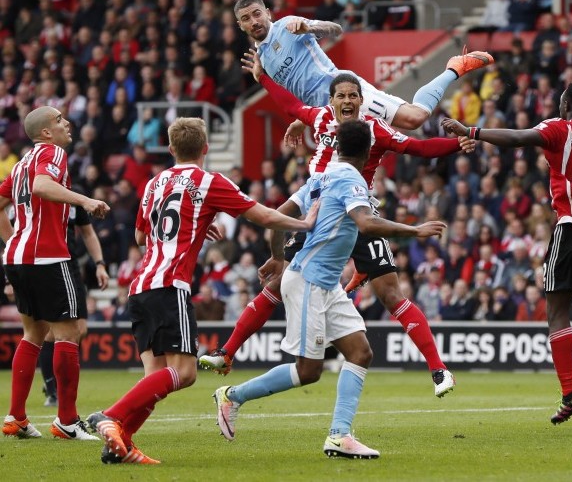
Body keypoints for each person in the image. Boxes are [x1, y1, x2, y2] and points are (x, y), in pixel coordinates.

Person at [201, 58, 468, 397]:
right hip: (322, 214)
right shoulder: (321, 118)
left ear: (361, 99)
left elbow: (419, 148)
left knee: (391, 293)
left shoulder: (375, 128)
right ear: (332, 101)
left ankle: (438, 370)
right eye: (341, 95)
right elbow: (290, 105)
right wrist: (263, 77)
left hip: (359, 211)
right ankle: (227, 352)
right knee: (280, 282)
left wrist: (460, 142)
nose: (347, 101)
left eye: (353, 95)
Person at [84, 118, 320, 465]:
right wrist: (304, 223)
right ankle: (109, 416)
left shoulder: (153, 183)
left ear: (170, 149)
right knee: (186, 372)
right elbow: (265, 217)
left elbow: (140, 237)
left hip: (140, 287)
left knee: (156, 378)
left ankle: (122, 443)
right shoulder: (208, 182)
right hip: (170, 285)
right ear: (206, 149)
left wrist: (195, 225)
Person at [213, 120, 445, 459]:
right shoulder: (352, 178)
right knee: (308, 371)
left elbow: (278, 216)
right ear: (368, 153)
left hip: (323, 282)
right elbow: (366, 222)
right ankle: (233, 396)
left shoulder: (321, 176)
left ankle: (340, 435)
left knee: (360, 352)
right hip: (309, 282)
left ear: (336, 147)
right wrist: (416, 231)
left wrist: (279, 257)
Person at [442, 82, 572, 425]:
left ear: (566, 103)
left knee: (557, 312)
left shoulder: (558, 129)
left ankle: (570, 393)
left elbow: (518, 137)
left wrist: (472, 131)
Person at [0, 106, 109, 440]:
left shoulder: (20, 164)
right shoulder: (53, 153)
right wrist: (85, 201)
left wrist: (12, 241)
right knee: (69, 333)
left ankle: (16, 416)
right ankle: (67, 421)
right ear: (46, 132)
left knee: (33, 335)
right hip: (48, 256)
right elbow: (43, 187)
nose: (67, 123)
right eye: (60, 120)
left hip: (18, 258)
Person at [233, 0, 493, 131]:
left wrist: (308, 28)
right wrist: (301, 121)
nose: (254, 21)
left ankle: (454, 67)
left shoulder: (288, 26)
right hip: (327, 115)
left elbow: (335, 29)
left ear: (267, 13)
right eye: (247, 18)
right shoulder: (262, 60)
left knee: (414, 119)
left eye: (257, 14)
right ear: (240, 24)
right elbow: (300, 90)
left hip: (346, 93)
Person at [41, 199, 111, 407]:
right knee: (51, 332)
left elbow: (88, 233)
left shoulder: (74, 200)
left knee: (80, 330)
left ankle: (63, 385)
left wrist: (100, 264)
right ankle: (52, 389)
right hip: (48, 266)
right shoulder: (42, 194)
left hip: (71, 269)